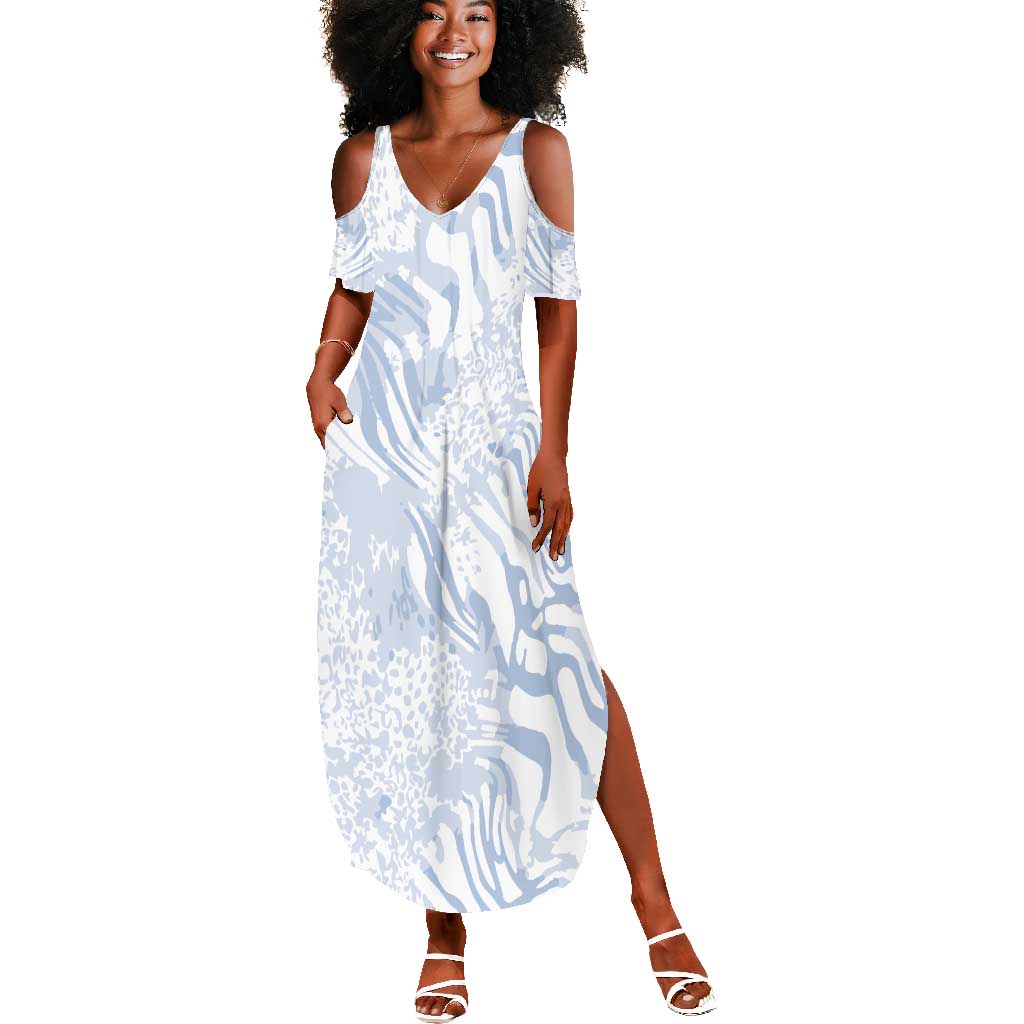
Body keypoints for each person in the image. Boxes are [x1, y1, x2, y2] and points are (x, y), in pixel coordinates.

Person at [308, 1, 716, 1018]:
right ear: (392, 28)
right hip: (389, 459)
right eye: (432, 11)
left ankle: (655, 902)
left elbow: (557, 314)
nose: (455, 31)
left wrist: (553, 451)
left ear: (512, 28)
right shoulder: (362, 159)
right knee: (422, 682)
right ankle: (443, 933)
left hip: (499, 453)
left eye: (479, 11)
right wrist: (321, 367)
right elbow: (355, 285)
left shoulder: (538, 152)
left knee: (561, 661)